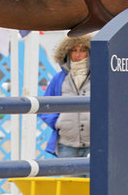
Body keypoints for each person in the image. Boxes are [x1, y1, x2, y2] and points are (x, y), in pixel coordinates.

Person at [40, 34, 93, 162]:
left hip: (95, 142)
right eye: (74, 50)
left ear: (90, 52)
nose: (78, 54)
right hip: (66, 143)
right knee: (68, 181)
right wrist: (58, 123)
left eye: (82, 50)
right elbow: (44, 105)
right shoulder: (59, 78)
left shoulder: (101, 76)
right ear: (67, 52)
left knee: (94, 182)